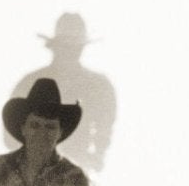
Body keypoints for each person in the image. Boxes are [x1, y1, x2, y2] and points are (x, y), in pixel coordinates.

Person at [9, 13, 116, 172]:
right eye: (66, 48)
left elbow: (104, 129)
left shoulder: (98, 86)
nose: (70, 52)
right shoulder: (29, 83)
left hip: (78, 168)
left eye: (74, 48)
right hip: (32, 171)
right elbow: (11, 131)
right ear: (56, 47)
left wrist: (92, 162)